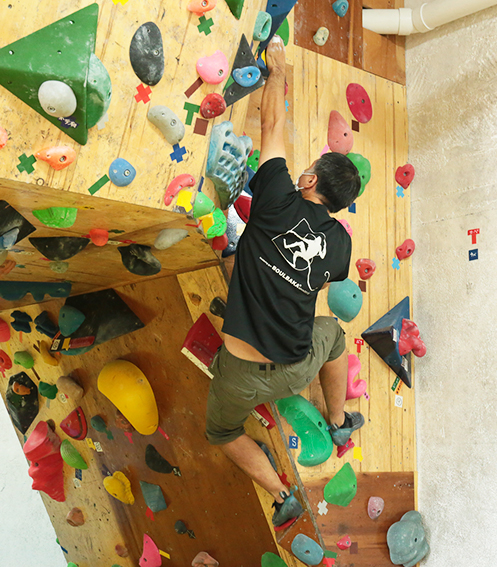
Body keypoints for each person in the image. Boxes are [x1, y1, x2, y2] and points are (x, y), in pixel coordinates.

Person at [205, 35, 365, 529]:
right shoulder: (340, 246)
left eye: (308, 169)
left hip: (240, 371)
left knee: (222, 431)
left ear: (310, 181)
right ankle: (337, 423)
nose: (303, 171)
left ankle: (281, 496)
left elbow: (271, 124)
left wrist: (278, 71)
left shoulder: (276, 194)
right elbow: (319, 280)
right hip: (296, 367)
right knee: (332, 333)